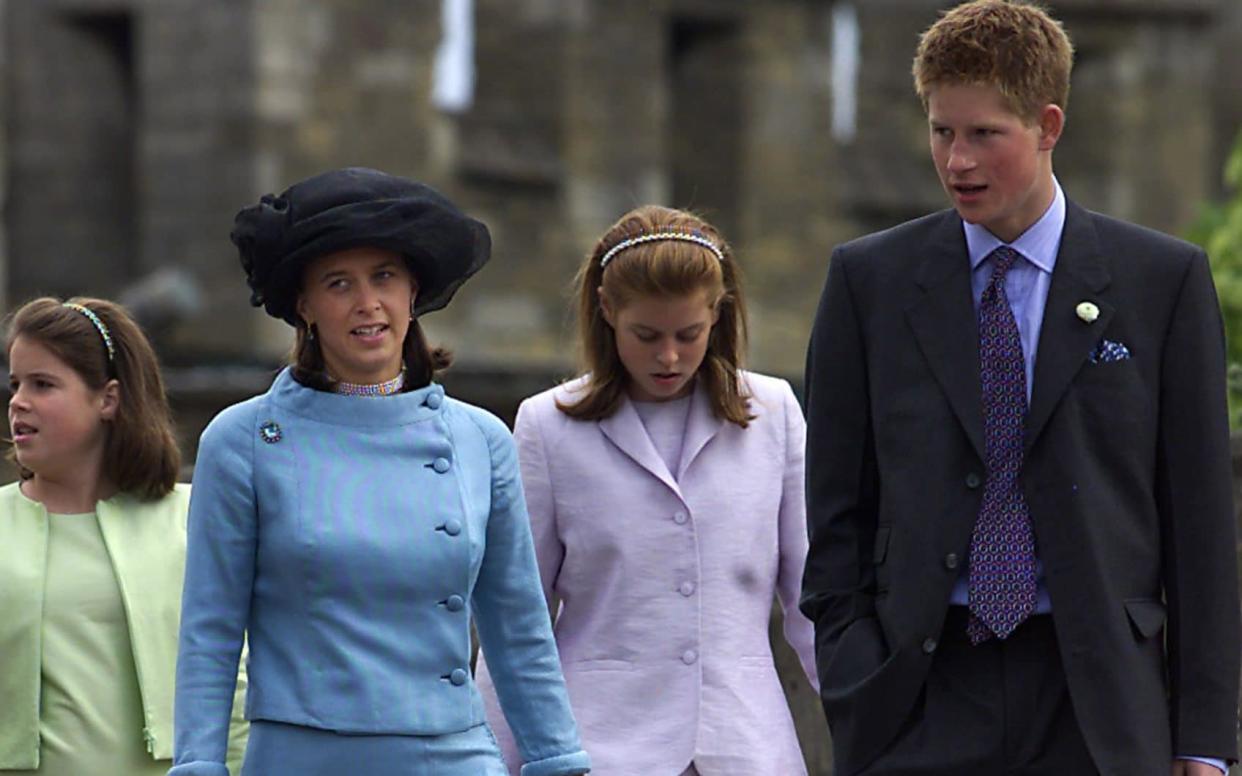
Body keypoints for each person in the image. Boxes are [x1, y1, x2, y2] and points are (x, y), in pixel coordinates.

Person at [800, 2, 1242, 774]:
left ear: (1048, 126)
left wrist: (1203, 739)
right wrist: (854, 669)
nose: (957, 162)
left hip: (1098, 703)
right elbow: (836, 505)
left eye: (983, 135)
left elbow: (1200, 524)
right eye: (942, 132)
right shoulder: (869, 282)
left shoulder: (1161, 282)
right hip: (917, 697)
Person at [170, 167, 590, 776]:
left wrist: (557, 759)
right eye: (339, 283)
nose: (368, 304)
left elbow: (518, 624)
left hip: (452, 756)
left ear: (412, 292)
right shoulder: (242, 441)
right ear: (304, 306)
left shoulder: (480, 440)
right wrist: (199, 764)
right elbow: (210, 630)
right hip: (301, 758)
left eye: (384, 277)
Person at [476, 204, 819, 775]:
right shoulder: (548, 425)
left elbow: (814, 597)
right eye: (646, 335)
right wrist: (491, 759)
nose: (669, 356)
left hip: (746, 748)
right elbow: (519, 615)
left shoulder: (774, 412)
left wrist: (872, 723)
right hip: (601, 750)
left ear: (718, 312)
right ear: (607, 312)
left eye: (689, 335)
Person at [0, 297, 247, 776]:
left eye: (43, 384)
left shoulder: (194, 517)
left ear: (108, 399)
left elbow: (235, 680)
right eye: (15, 384)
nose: (18, 401)